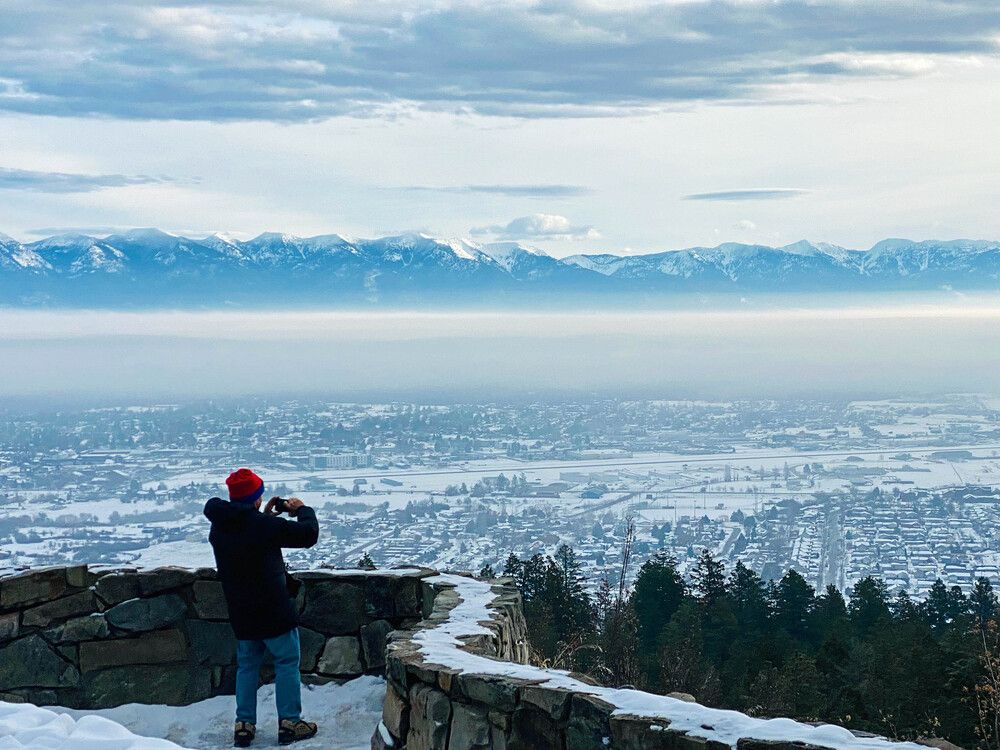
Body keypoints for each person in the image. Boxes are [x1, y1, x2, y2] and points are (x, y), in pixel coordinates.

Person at [204, 468, 320, 747]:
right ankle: (290, 723)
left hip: (241, 611)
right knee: (287, 661)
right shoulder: (263, 527)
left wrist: (264, 517)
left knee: (247, 666)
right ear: (256, 497)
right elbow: (308, 535)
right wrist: (303, 509)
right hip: (273, 610)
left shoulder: (219, 527)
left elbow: (246, 534)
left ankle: (244, 724)